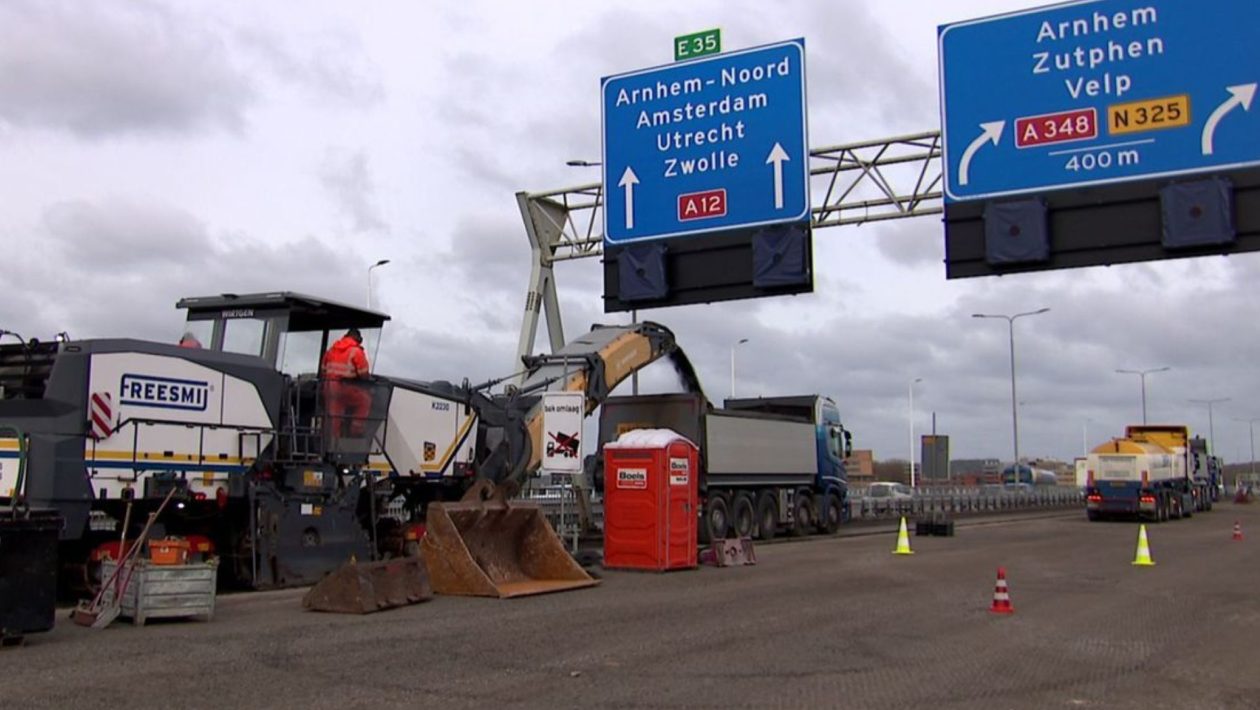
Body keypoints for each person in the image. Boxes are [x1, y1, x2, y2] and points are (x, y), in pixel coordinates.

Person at [321, 328, 371, 437]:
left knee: (334, 417)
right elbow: (364, 374)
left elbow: (323, 370)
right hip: (344, 388)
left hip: (329, 388)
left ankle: (332, 441)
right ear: (358, 339)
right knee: (365, 401)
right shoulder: (356, 351)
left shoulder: (331, 350)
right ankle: (355, 431)